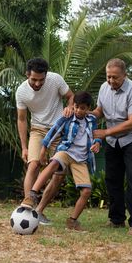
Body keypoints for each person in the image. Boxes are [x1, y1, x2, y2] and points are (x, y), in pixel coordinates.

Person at [21, 91, 102, 231]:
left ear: (88, 108)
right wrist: (42, 152)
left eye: (82, 108)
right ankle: (32, 195)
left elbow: (96, 135)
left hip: (81, 159)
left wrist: (97, 143)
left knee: (87, 191)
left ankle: (72, 221)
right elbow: (51, 133)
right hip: (66, 151)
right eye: (76, 106)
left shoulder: (92, 120)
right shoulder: (67, 117)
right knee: (54, 163)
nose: (78, 110)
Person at [15, 57, 74, 225]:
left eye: (41, 80)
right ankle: (28, 208)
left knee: (59, 174)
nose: (37, 84)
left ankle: (39, 211)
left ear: (46, 76)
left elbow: (70, 96)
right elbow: (21, 119)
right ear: (27, 74)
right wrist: (24, 147)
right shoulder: (21, 92)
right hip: (37, 130)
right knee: (33, 164)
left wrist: (69, 106)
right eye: (33, 79)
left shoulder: (55, 80)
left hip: (58, 130)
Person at [93, 58, 132, 236]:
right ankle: (116, 219)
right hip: (112, 140)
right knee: (112, 179)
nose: (111, 81)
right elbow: (100, 111)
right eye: (108, 77)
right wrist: (87, 114)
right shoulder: (103, 88)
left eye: (115, 77)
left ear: (125, 75)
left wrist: (105, 133)